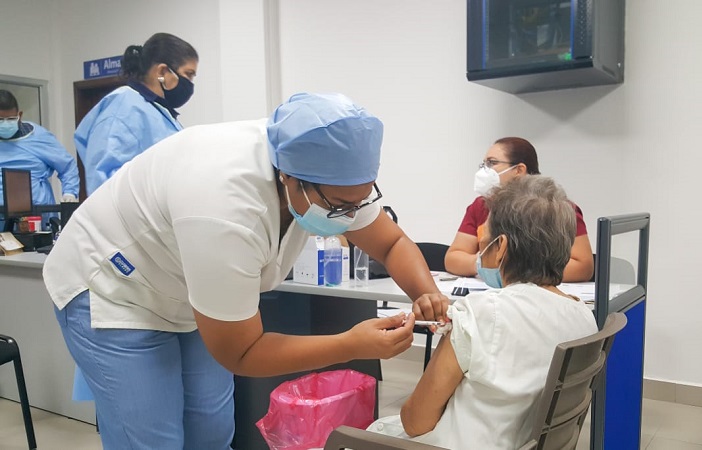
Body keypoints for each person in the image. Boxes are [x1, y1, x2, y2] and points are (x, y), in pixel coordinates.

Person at [43, 92, 449, 449]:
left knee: (210, 430)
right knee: (153, 440)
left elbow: (392, 242)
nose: (350, 217)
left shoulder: (330, 176)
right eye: (340, 205)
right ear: (289, 176)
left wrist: (424, 291)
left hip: (183, 290)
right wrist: (350, 345)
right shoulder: (223, 204)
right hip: (114, 287)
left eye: (360, 201)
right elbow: (241, 351)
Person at [367, 175, 598, 449]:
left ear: (500, 247)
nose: (480, 251)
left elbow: (415, 422)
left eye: (483, 242)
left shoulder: (480, 313)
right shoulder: (584, 317)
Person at [445, 137, 594, 282]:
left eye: (492, 163)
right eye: (483, 164)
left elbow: (583, 266)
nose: (484, 170)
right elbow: (453, 258)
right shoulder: (481, 205)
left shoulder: (554, 207)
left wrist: (518, 272)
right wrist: (484, 263)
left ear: (519, 169)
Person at [75, 32, 198, 195]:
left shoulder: (157, 111)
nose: (189, 84)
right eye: (188, 75)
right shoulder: (123, 107)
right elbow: (105, 185)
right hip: (135, 218)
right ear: (162, 71)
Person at [0, 89, 79, 208]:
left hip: (36, 214)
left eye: (11, 119)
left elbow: (67, 166)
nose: (5, 124)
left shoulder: (39, 137)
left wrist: (70, 192)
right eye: (0, 120)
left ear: (19, 115)